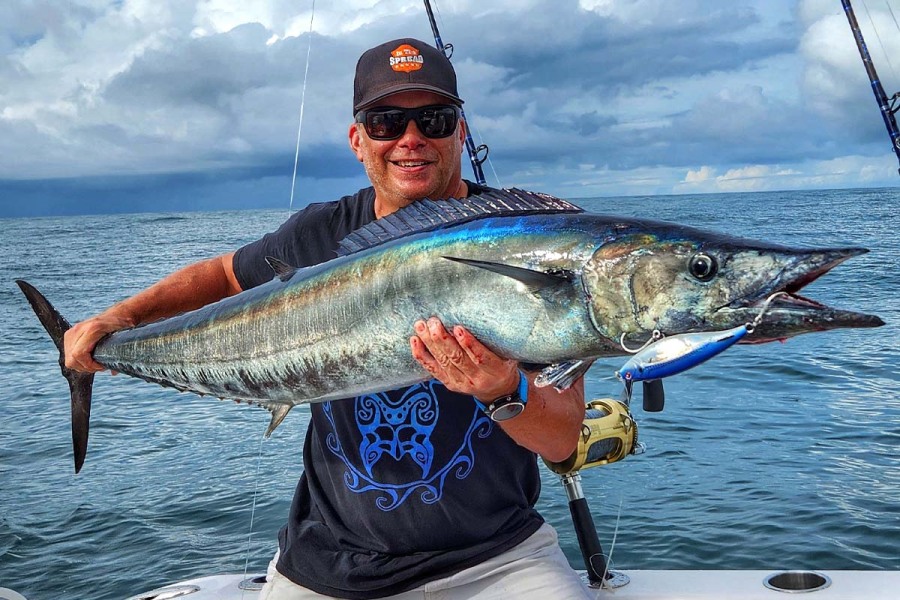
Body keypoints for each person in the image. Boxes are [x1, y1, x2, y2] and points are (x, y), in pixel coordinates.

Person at [64, 38, 592, 599]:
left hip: (500, 559)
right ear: (357, 140)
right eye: (386, 122)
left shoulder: (529, 241)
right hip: (330, 563)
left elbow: (561, 440)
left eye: (434, 119)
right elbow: (222, 274)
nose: (411, 139)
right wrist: (117, 320)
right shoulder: (320, 234)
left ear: (460, 132)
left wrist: (502, 390)